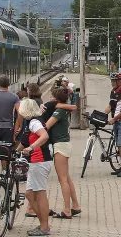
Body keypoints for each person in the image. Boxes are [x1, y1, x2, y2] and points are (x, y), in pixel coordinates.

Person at [44, 87, 81, 219]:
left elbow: (46, 126)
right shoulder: (64, 110)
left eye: (52, 96)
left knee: (62, 179)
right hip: (65, 144)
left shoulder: (58, 112)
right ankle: (75, 205)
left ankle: (67, 210)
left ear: (56, 98)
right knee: (67, 177)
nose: (50, 98)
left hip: (60, 145)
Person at [18, 98, 53, 236]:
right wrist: (16, 152)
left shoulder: (34, 122)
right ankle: (43, 223)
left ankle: (44, 227)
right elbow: (23, 142)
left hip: (40, 161)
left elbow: (44, 136)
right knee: (29, 194)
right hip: (35, 162)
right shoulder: (31, 122)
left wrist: (31, 147)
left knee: (40, 193)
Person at [0, 75, 23, 185]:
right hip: (8, 128)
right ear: (9, 84)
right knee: (6, 152)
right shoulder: (14, 97)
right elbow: (19, 113)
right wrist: (17, 127)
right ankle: (5, 175)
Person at [106, 72, 121, 176]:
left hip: (119, 121)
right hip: (116, 122)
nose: (112, 83)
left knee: (120, 145)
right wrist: (101, 115)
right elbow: (110, 106)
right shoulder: (113, 92)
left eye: (114, 81)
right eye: (111, 81)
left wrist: (114, 118)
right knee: (118, 145)